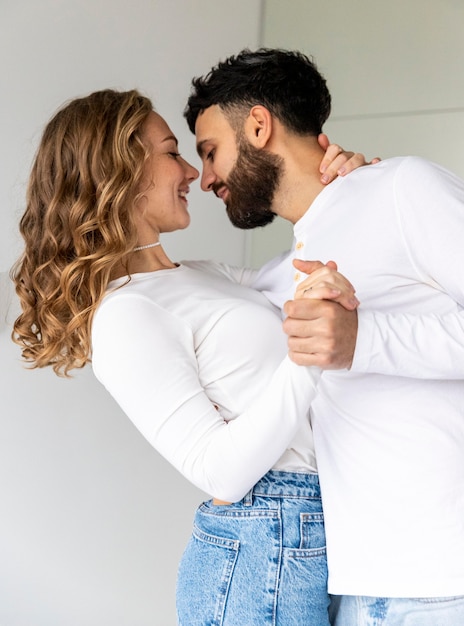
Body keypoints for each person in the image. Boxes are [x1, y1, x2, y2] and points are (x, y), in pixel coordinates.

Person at [11, 88, 368, 625]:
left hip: (308, 527)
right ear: (122, 170)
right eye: (173, 152)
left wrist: (345, 188)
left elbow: (315, 267)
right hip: (262, 539)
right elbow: (218, 472)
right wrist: (306, 356)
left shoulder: (200, 277)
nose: (191, 174)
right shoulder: (126, 315)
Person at [184, 47, 464, 625]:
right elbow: (178, 286)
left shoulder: (401, 187)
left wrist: (364, 337)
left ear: (258, 126)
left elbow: (359, 337)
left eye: (210, 152)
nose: (206, 178)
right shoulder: (285, 269)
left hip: (441, 581)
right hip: (349, 588)